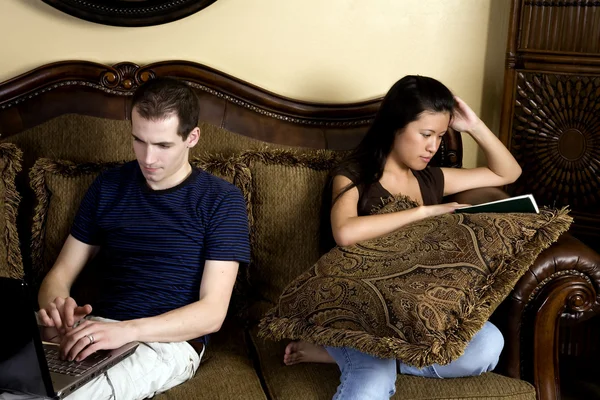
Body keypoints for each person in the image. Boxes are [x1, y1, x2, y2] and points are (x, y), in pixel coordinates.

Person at [283, 75, 522, 399]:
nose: (433, 146)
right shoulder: (355, 174)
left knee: (488, 345)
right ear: (395, 126)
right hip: (354, 308)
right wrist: (422, 213)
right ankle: (344, 351)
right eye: (425, 134)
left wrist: (475, 125)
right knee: (372, 382)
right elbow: (345, 232)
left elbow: (508, 173)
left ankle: (331, 355)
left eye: (439, 136)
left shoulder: (430, 178)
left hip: (410, 310)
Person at [34, 77, 251, 399]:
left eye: (163, 145)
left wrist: (124, 331)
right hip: (95, 328)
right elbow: (61, 273)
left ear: (192, 137)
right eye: (139, 140)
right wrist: (58, 307)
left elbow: (212, 313)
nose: (148, 159)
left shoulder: (222, 200)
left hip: (166, 341)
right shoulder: (108, 186)